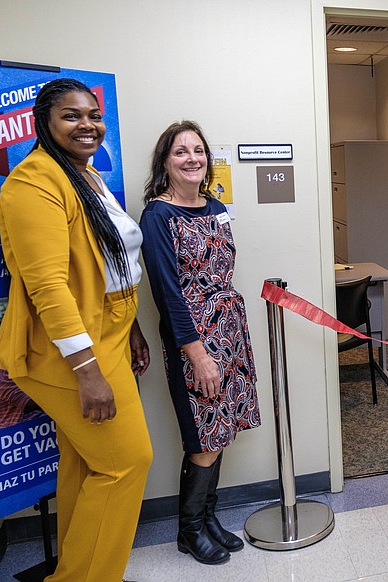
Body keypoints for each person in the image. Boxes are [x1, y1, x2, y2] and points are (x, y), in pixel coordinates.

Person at [0, 78, 153, 581]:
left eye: (93, 115)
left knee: (85, 463)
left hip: (108, 330)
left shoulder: (84, 175)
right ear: (43, 123)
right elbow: (48, 289)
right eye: (71, 115)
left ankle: (74, 569)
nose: (87, 125)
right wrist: (87, 372)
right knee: (127, 463)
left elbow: (109, 262)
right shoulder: (33, 182)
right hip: (65, 350)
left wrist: (128, 327)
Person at [139, 121, 261, 565]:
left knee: (220, 429)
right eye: (180, 152)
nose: (192, 158)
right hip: (194, 340)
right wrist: (198, 355)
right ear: (165, 162)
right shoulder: (157, 216)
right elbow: (167, 293)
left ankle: (207, 520)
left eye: (198, 150)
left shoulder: (214, 205)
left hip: (228, 332)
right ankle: (188, 529)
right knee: (203, 436)